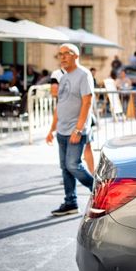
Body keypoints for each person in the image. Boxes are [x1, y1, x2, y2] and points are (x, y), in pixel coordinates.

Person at [46, 43, 94, 216]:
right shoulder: (64, 77)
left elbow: (87, 102)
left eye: (67, 53)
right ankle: (70, 202)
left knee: (73, 165)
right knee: (65, 168)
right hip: (62, 130)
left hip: (76, 130)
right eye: (60, 54)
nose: (63, 56)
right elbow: (60, 104)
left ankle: (97, 189)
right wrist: (52, 129)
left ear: (76, 55)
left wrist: (78, 129)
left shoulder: (84, 75)